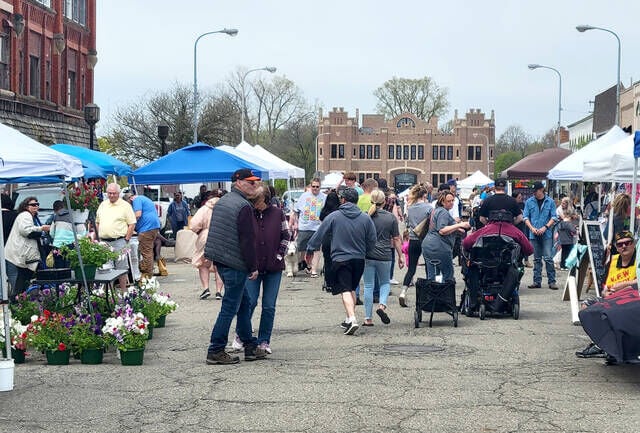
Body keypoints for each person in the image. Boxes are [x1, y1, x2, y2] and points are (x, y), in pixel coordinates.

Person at [204, 168, 265, 365]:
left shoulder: (225, 201)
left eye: (255, 182)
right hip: (233, 262)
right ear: (238, 182)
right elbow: (247, 240)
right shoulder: (242, 206)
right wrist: (253, 266)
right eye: (250, 182)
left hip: (222, 259)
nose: (254, 185)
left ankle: (249, 345)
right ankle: (215, 349)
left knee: (244, 303)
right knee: (230, 306)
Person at [305, 188, 376, 336]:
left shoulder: (334, 216)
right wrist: (366, 251)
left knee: (344, 289)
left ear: (342, 200)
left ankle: (352, 318)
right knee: (352, 288)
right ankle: (349, 318)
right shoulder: (365, 218)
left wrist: (310, 249)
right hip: (359, 259)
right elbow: (372, 239)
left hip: (340, 258)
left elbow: (320, 234)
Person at [237, 187, 290, 354]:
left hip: (273, 267)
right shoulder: (248, 212)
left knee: (269, 306)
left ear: (266, 199)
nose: (254, 204)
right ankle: (241, 335)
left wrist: (280, 256)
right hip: (252, 267)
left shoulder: (278, 213)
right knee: (249, 302)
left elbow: (286, 235)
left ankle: (264, 341)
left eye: (256, 201)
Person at [576, 230, 637, 359]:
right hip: (611, 299)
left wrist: (624, 285)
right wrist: (605, 292)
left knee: (616, 314)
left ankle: (613, 347)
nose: (624, 246)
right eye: (620, 244)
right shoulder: (612, 261)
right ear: (616, 247)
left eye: (627, 243)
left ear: (634, 244)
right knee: (587, 307)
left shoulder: (638, 261)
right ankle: (601, 344)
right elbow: (604, 287)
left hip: (631, 300)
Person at [462, 215, 533, 312]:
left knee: (472, 266)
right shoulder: (515, 231)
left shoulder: (484, 230)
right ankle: (504, 299)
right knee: (516, 268)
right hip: (506, 268)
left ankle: (474, 300)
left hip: (484, 266)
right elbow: (529, 250)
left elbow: (466, 243)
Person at [362, 190, 404, 326]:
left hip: (368, 254)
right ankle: (381, 306)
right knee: (385, 283)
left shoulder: (365, 217)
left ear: (371, 201)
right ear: (384, 202)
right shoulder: (390, 218)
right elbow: (396, 238)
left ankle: (368, 319)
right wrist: (401, 256)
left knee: (368, 286)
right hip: (385, 255)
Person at [5, 197, 50, 295]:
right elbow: (26, 231)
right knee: (23, 280)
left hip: (27, 255)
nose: (36, 206)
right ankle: (19, 301)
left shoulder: (32, 216)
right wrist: (42, 229)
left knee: (23, 280)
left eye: (37, 204)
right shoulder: (25, 215)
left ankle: (20, 301)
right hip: (23, 254)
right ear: (26, 206)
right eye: (33, 205)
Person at [422, 191, 471, 282]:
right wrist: (459, 225)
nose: (451, 203)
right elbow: (442, 230)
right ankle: (445, 294)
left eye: (453, 200)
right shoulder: (443, 212)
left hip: (428, 245)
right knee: (448, 275)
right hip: (439, 246)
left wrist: (459, 228)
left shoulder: (436, 210)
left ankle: (431, 294)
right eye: (449, 201)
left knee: (432, 275)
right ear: (442, 202)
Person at [96, 183, 136, 291]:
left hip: (119, 241)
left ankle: (124, 292)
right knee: (105, 268)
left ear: (118, 193)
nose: (111, 195)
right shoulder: (103, 205)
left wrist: (126, 239)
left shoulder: (125, 206)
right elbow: (97, 222)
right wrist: (99, 237)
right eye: (109, 193)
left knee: (121, 268)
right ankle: (107, 293)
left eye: (114, 193)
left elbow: (132, 223)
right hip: (104, 242)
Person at [399, 184, 433, 307]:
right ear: (424, 195)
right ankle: (430, 293)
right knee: (429, 266)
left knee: (411, 269)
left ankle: (403, 291)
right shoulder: (428, 207)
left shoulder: (410, 208)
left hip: (413, 240)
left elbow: (407, 223)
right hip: (425, 239)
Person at [523, 181, 558, 290]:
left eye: (536, 191)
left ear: (541, 189)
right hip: (533, 234)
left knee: (548, 258)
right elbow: (525, 217)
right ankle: (536, 281)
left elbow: (554, 217)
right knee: (536, 259)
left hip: (546, 233)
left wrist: (545, 227)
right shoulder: (529, 202)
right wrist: (532, 228)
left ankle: (552, 281)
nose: (534, 193)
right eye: (533, 191)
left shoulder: (550, 202)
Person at [289, 177, 326, 277]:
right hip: (304, 227)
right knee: (300, 248)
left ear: (320, 187)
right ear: (310, 186)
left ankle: (314, 270)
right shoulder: (304, 196)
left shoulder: (324, 197)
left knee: (317, 249)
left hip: (318, 228)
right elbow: (295, 211)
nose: (315, 188)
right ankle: (302, 264)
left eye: (317, 187)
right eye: (313, 186)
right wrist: (294, 223)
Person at [189, 196, 223, 301]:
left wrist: (200, 232)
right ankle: (219, 291)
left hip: (205, 235)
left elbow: (193, 224)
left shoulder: (204, 208)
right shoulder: (224, 207)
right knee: (220, 264)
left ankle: (206, 288)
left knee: (203, 263)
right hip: (221, 236)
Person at [124, 192, 161, 280]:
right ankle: (149, 274)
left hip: (146, 229)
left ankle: (147, 277)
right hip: (153, 227)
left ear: (130, 199)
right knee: (148, 251)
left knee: (146, 253)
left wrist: (129, 224)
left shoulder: (136, 200)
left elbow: (138, 215)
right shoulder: (143, 198)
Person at [319, 190, 341, 292]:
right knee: (337, 261)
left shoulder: (324, 212)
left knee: (327, 262)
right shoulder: (340, 211)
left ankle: (329, 283)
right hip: (338, 239)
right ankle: (336, 282)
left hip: (327, 238)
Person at [49, 200, 81, 268]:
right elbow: (79, 232)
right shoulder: (73, 216)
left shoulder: (55, 217)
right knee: (69, 266)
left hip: (57, 246)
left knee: (59, 267)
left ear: (55, 210)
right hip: (70, 245)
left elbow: (51, 233)